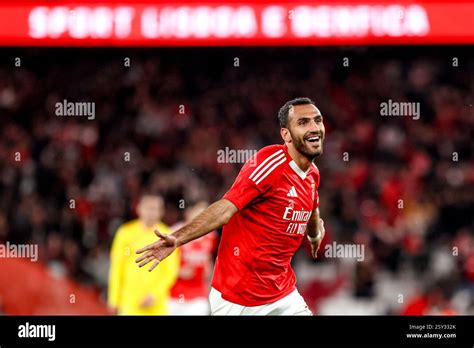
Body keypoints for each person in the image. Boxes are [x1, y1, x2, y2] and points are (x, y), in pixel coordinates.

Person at [136, 97, 326, 315]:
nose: (314, 127)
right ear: (286, 134)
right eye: (303, 122)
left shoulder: (312, 175)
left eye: (317, 120)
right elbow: (226, 209)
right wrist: (178, 238)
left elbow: (312, 207)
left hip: (283, 294)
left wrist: (313, 235)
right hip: (238, 298)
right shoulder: (270, 163)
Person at [108, 194, 179, 315]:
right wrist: (113, 299)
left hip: (157, 305)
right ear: (138, 209)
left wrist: (155, 294)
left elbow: (171, 271)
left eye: (155, 208)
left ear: (161, 211)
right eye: (148, 208)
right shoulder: (125, 233)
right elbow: (117, 267)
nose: (151, 212)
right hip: (129, 303)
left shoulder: (168, 236)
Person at [169, 201, 218, 315]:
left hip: (198, 294)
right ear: (188, 212)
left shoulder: (211, 235)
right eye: (200, 213)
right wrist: (178, 271)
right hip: (174, 294)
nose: (204, 217)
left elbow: (209, 260)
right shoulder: (174, 233)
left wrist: (209, 273)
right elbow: (163, 264)